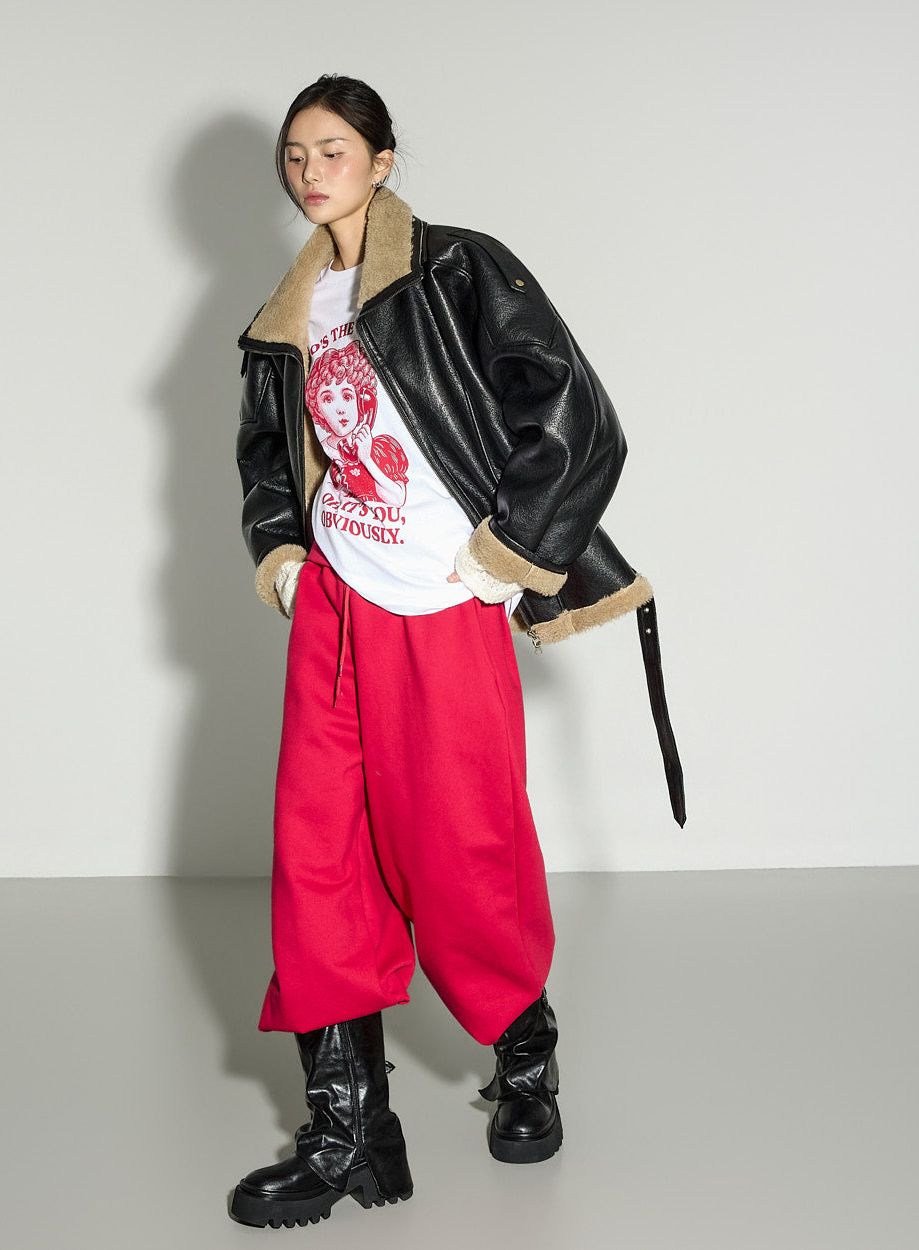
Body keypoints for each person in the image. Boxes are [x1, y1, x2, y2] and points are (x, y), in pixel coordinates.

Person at [228, 74, 684, 1230]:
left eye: (333, 148)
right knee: (318, 858)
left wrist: (504, 556)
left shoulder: (457, 269)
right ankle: (348, 1128)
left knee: (462, 846)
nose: (310, 169)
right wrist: (283, 553)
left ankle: (523, 1053)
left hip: (439, 608)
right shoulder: (287, 312)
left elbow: (577, 413)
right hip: (336, 606)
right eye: (295, 153)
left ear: (382, 159)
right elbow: (267, 454)